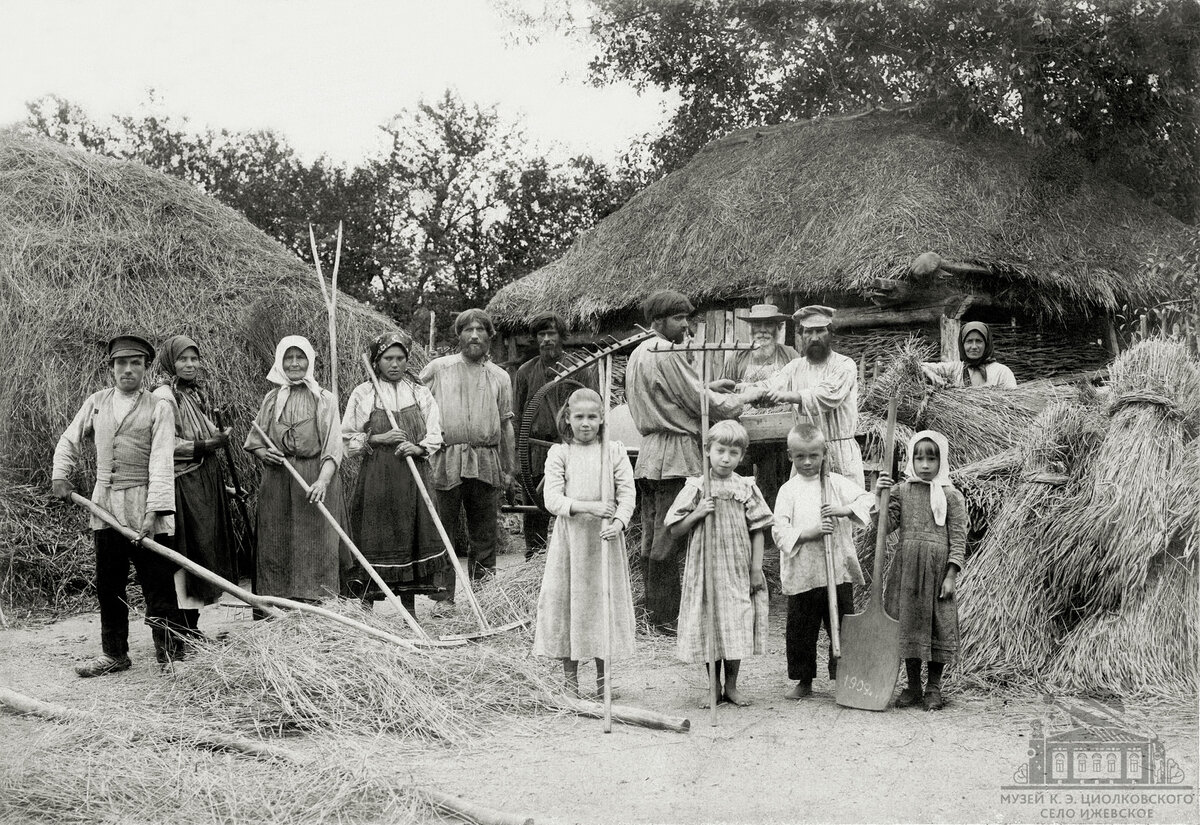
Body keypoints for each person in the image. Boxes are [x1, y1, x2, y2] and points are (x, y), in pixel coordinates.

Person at [51, 335, 182, 676]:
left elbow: (162, 460)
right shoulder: (96, 402)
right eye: (120, 364)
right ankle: (114, 654)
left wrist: (154, 511)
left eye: (135, 363)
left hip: (145, 501)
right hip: (105, 504)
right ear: (111, 368)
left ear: (145, 368)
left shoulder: (159, 406)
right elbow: (70, 439)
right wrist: (60, 475)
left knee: (157, 581)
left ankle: (169, 656)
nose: (127, 370)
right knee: (109, 582)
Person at [625, 289, 745, 633]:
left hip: (649, 453)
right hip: (674, 453)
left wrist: (709, 385)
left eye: (685, 318)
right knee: (669, 535)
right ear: (659, 321)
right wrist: (742, 398)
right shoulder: (667, 351)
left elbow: (669, 392)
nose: (685, 325)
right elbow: (701, 403)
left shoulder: (638, 352)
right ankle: (665, 618)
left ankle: (653, 611)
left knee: (651, 535)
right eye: (678, 318)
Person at [533, 388, 636, 699]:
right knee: (569, 603)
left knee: (602, 605)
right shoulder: (560, 453)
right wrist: (590, 507)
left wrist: (618, 522)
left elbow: (627, 493)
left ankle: (604, 681)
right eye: (579, 417)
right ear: (568, 418)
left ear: (602, 418)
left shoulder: (613, 451)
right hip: (571, 542)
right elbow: (552, 499)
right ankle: (570, 680)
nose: (586, 423)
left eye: (593, 417)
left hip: (604, 541)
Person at [664, 420, 772, 707]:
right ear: (708, 451)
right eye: (720, 450)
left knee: (735, 622)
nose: (726, 458)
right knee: (710, 623)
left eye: (734, 453)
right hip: (706, 567)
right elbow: (675, 529)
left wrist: (756, 568)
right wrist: (698, 512)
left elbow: (758, 529)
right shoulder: (697, 486)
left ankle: (732, 685)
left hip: (737, 566)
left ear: (742, 456)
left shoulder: (745, 487)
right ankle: (712, 686)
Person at [342, 331, 449, 614]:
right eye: (388, 358)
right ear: (376, 362)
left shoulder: (419, 392)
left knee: (410, 539)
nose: (395, 364)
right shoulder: (363, 394)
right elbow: (346, 440)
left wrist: (417, 448)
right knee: (374, 538)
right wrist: (378, 439)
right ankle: (366, 609)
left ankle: (409, 609)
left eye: (401, 358)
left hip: (412, 481)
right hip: (376, 481)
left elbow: (436, 434)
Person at [420, 308, 515, 606]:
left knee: (484, 533)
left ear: (489, 336)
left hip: (486, 460)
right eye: (468, 330)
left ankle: (485, 599)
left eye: (480, 330)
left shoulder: (500, 376)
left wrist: (508, 469)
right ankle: (443, 598)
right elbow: (415, 404)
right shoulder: (438, 368)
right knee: (443, 530)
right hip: (446, 458)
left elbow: (505, 424)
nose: (474, 335)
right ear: (459, 335)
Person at [771, 423, 874, 699]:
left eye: (813, 456)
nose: (807, 462)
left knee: (842, 625)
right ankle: (804, 680)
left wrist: (843, 510)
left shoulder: (836, 484)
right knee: (801, 630)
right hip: (804, 573)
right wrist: (810, 533)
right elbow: (779, 531)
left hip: (836, 572)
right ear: (789, 455)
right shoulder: (788, 491)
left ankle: (843, 677)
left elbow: (868, 499)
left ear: (824, 453)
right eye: (800, 456)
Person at [244, 335, 347, 604]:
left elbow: (333, 448)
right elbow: (255, 442)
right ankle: (278, 603)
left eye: (299, 357)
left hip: (313, 478)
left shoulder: (324, 399)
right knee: (276, 541)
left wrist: (322, 482)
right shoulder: (272, 398)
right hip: (278, 479)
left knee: (315, 541)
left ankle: (316, 603)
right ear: (280, 362)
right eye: (288, 358)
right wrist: (267, 454)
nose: (294, 363)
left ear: (309, 361)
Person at [152, 335, 238, 646]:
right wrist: (207, 445)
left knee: (204, 553)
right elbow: (164, 445)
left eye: (194, 359)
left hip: (205, 485)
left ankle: (191, 627)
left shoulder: (192, 395)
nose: (190, 365)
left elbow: (203, 433)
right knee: (188, 554)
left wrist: (217, 437)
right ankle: (180, 629)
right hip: (185, 484)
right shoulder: (164, 397)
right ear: (170, 362)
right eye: (182, 359)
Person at [875, 430, 967, 711]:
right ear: (911, 461)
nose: (925, 465)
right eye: (919, 458)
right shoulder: (902, 491)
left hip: (937, 571)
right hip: (907, 569)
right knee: (909, 623)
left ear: (942, 461)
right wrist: (879, 493)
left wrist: (951, 574)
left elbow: (959, 538)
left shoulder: (951, 496)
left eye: (931, 458)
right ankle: (913, 686)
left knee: (937, 625)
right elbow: (885, 526)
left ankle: (934, 687)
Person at [739, 305, 864, 488]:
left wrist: (787, 396)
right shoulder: (795, 367)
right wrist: (748, 389)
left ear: (830, 333)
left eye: (820, 331)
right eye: (808, 332)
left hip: (840, 453)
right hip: (805, 454)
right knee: (805, 508)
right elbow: (772, 384)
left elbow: (825, 395)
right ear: (801, 335)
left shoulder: (845, 365)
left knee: (843, 510)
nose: (814, 337)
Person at [512, 311, 597, 561]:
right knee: (535, 508)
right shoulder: (525, 372)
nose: (547, 339)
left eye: (552, 333)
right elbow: (518, 415)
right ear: (535, 339)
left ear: (562, 337)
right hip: (536, 450)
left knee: (574, 505)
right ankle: (534, 559)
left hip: (572, 449)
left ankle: (574, 558)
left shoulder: (579, 370)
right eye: (541, 334)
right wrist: (518, 455)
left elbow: (590, 407)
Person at [715, 302, 799, 508]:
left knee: (773, 487)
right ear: (750, 329)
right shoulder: (738, 356)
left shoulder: (790, 355)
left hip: (778, 437)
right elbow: (723, 395)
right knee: (741, 488)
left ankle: (771, 533)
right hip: (743, 435)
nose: (762, 331)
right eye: (757, 325)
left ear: (778, 328)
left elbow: (798, 390)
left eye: (768, 325)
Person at [921, 321, 1017, 388]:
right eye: (969, 341)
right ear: (962, 345)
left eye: (979, 341)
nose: (974, 346)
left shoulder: (1002, 372)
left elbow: (1014, 404)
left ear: (987, 344)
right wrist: (932, 375)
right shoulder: (955, 369)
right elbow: (917, 365)